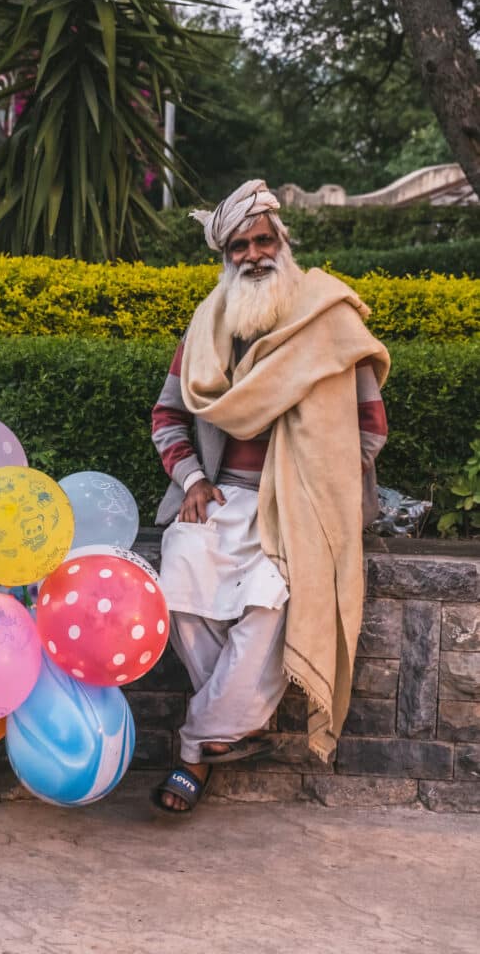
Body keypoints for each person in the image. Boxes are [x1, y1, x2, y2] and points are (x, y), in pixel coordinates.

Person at [149, 180, 390, 817]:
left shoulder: (327, 318)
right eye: (239, 246)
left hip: (301, 505)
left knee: (265, 609)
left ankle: (194, 750)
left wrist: (322, 484)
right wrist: (193, 482)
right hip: (220, 496)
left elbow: (370, 428)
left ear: (283, 243)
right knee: (177, 589)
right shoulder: (206, 329)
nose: (254, 254)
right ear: (224, 256)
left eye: (264, 240)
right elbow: (168, 417)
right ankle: (229, 725)